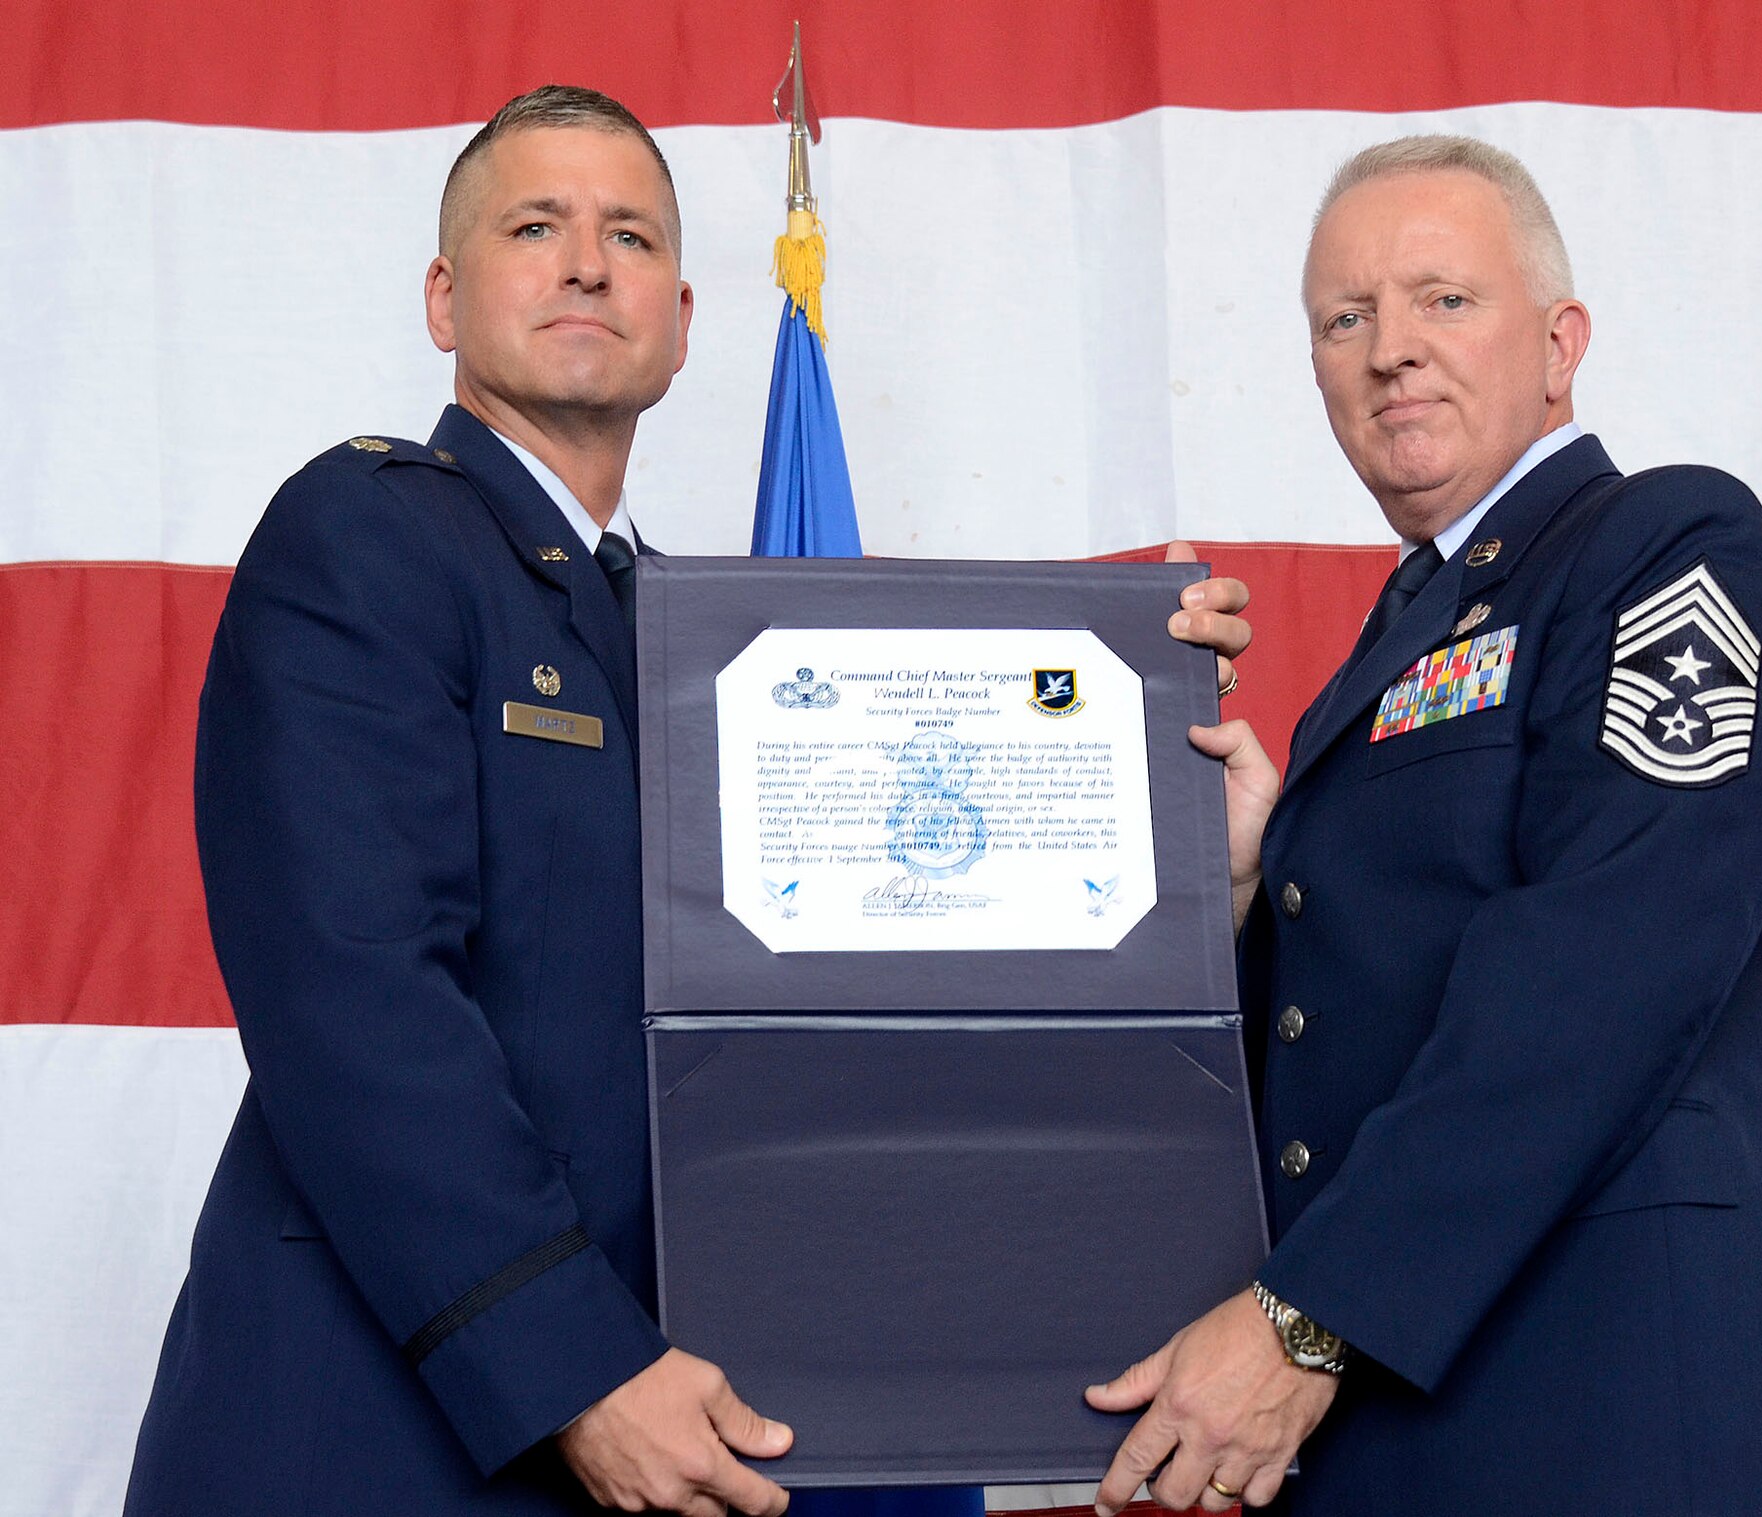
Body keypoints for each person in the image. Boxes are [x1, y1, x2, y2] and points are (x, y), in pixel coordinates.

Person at [123, 84, 1253, 1515]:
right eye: (536, 226)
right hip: (385, 1431)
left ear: (684, 316)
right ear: (442, 296)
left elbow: (900, 966)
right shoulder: (368, 537)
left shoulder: (716, 653)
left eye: (632, 236)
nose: (589, 263)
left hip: (680, 1423)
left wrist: (1144, 750)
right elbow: (354, 996)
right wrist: (571, 1364)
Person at [1087, 136, 1762, 1516]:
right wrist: (1249, 889)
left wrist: (1306, 1315)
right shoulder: (1405, 638)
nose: (1391, 348)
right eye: (1347, 317)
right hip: (1410, 1408)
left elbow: (1606, 971)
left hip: (1614, 1397)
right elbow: (1368, 1013)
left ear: (1562, 344)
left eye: (1444, 299)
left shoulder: (1672, 547)